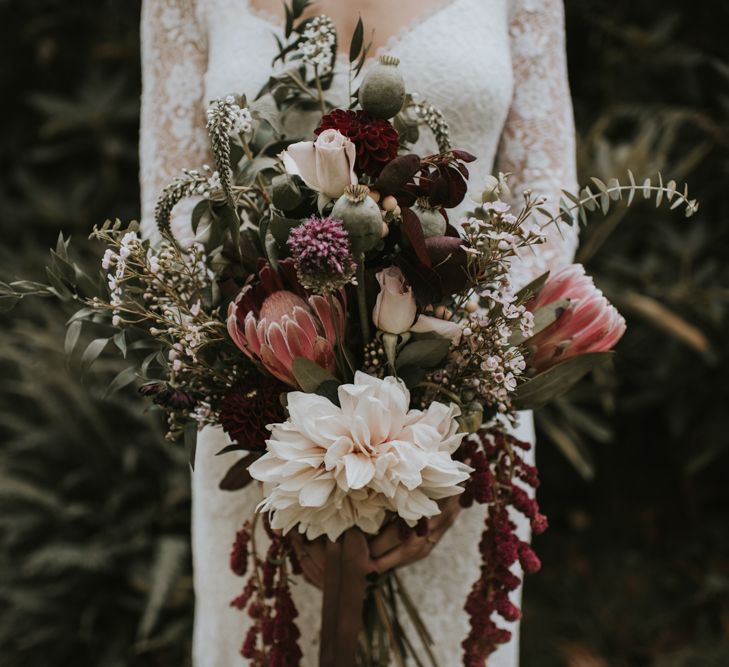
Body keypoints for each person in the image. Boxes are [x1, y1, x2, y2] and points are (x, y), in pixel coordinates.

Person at [139, 0, 579, 664]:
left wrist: (449, 425)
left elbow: (543, 212)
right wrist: (280, 435)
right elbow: (173, 222)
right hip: (262, 445)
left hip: (462, 441)